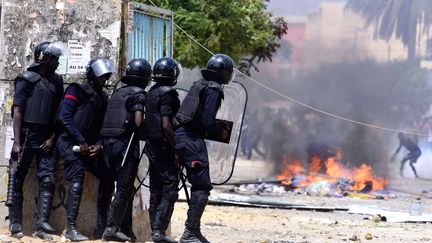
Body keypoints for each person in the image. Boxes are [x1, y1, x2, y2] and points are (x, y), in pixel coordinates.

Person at [175, 54, 235, 243]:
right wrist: (221, 132)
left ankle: (191, 231)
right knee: (202, 186)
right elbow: (208, 121)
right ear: (225, 73)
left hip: (179, 136)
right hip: (191, 139)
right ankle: (190, 233)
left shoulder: (199, 84)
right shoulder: (214, 89)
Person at [9, 41, 65, 240]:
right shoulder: (25, 79)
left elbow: (59, 114)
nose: (58, 62)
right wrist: (16, 142)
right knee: (17, 178)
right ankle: (16, 223)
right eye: (55, 59)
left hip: (47, 137)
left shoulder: (57, 82)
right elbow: (17, 111)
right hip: (26, 135)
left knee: (48, 179)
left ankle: (42, 223)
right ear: (45, 59)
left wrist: (52, 138)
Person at [56, 57, 114, 241]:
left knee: (108, 178)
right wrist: (80, 140)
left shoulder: (102, 97)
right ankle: (71, 228)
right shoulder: (76, 89)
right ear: (92, 75)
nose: (103, 80)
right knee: (76, 180)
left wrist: (98, 145)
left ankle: (101, 226)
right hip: (69, 144)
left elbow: (101, 126)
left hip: (88, 148)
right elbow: (64, 116)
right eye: (101, 77)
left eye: (106, 77)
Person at [99, 58, 151, 242]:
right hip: (126, 145)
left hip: (107, 145)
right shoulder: (139, 94)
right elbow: (138, 122)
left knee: (123, 189)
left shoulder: (118, 93)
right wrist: (149, 132)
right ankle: (111, 229)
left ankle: (124, 228)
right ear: (145, 77)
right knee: (123, 188)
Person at [145, 57, 182, 243]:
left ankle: (155, 232)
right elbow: (167, 125)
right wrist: (176, 149)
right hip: (163, 148)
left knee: (156, 189)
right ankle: (159, 232)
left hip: (152, 147)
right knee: (170, 189)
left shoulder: (151, 91)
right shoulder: (168, 94)